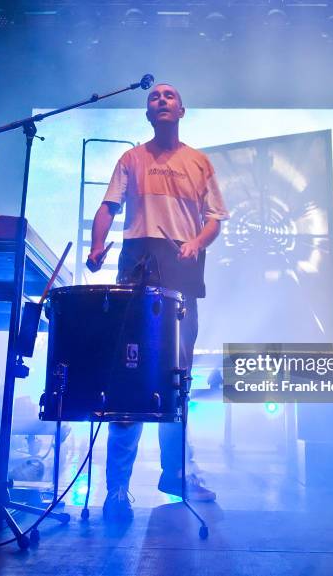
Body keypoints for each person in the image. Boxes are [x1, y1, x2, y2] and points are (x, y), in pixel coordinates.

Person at [87, 83, 229, 520]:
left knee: (176, 376)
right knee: (127, 375)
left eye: (169, 96)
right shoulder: (131, 158)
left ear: (182, 110)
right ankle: (116, 489)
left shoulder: (199, 161)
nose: (161, 100)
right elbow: (108, 207)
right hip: (136, 262)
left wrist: (195, 243)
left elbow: (215, 219)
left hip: (182, 268)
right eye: (154, 97)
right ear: (147, 112)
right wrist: (96, 247)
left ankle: (176, 474)